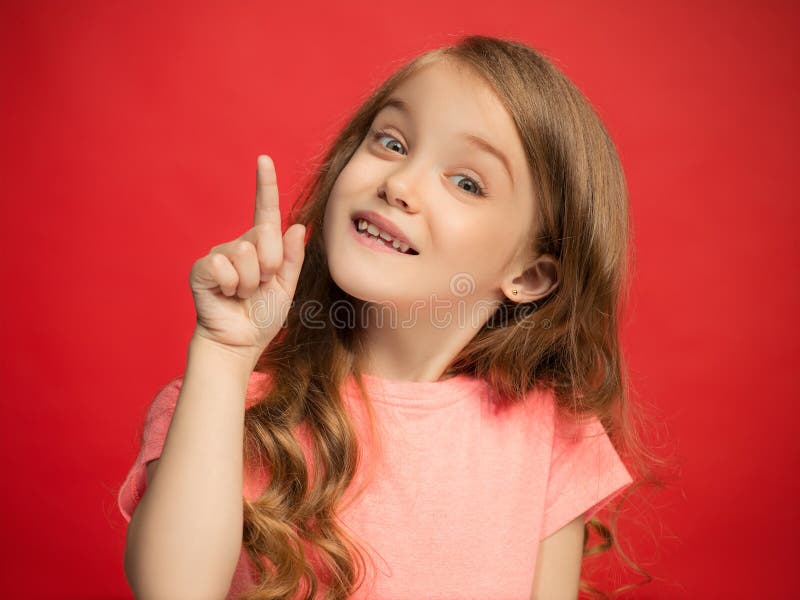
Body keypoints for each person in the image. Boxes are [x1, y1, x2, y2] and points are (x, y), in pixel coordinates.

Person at [118, 35, 650, 600]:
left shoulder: (549, 436)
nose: (398, 185)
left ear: (531, 276)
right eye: (392, 142)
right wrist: (222, 359)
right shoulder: (223, 410)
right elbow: (173, 591)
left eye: (466, 182)